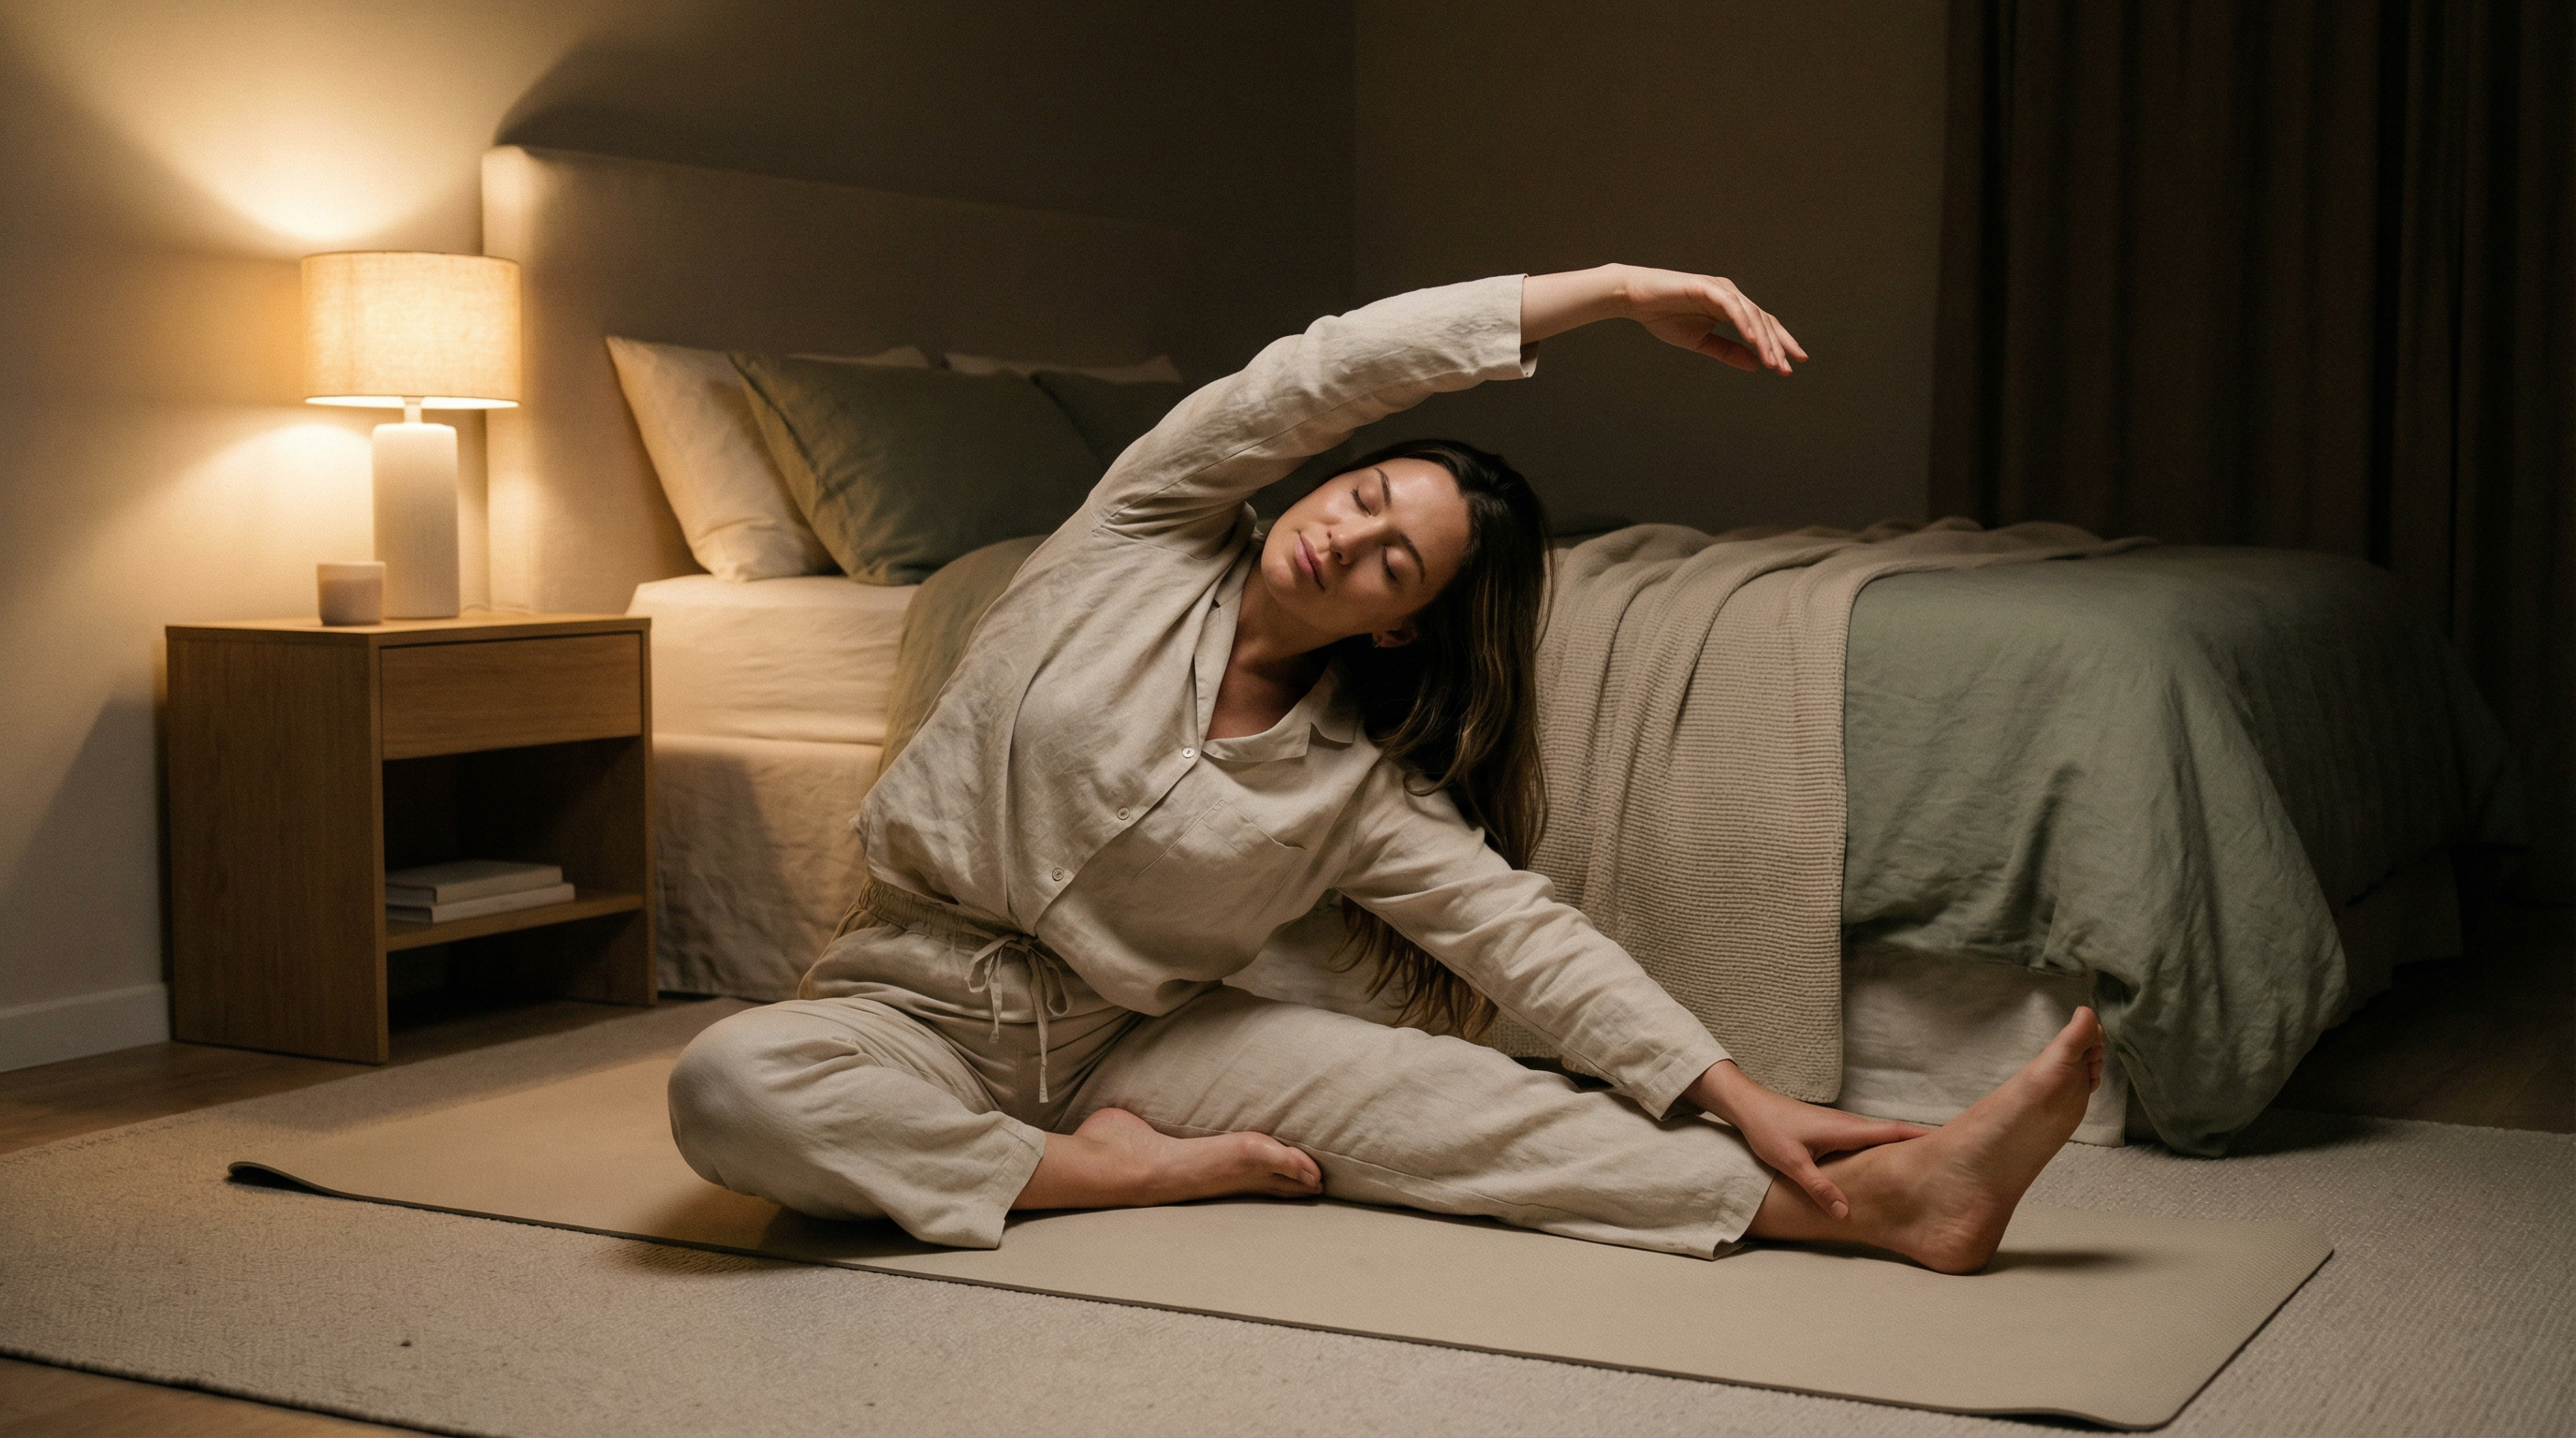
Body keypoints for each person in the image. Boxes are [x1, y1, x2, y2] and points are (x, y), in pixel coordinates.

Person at [667, 265, 2107, 1274]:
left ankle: (1889, 1202)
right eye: (1358, 495)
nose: (1345, 536)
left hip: (1129, 1039)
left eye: (1391, 556)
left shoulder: (1355, 783)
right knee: (731, 1088)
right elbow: (1327, 367)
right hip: (909, 1004)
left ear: (1401, 617)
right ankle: (1106, 1179)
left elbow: (1526, 941)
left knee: (1457, 1108)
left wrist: (1734, 1090)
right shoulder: (1139, 532)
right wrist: (1611, 292)